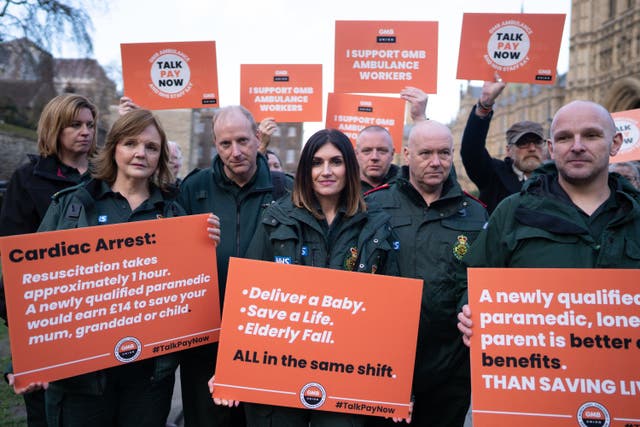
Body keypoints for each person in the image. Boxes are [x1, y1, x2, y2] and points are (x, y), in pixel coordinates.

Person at [35, 108, 220, 426]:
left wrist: (204, 246)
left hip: (147, 380)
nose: (140, 153)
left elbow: (189, 299)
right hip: (82, 377)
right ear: (114, 148)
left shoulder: (177, 217)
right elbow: (36, 283)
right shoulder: (72, 206)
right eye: (130, 143)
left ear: (160, 156)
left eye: (151, 147)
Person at [210, 128, 398, 427]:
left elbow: (392, 312)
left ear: (349, 168)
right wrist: (229, 366)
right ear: (304, 169)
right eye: (316, 162)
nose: (325, 171)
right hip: (279, 369)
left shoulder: (376, 224)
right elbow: (245, 296)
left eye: (335, 162)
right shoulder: (275, 218)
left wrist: (398, 383)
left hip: (347, 374)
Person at [457, 100, 637, 347]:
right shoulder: (511, 210)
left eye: (591, 135)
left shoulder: (633, 214)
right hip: (538, 370)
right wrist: (469, 311)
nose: (577, 146)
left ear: (615, 143)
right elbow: (473, 281)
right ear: (551, 149)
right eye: (564, 138)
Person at [365, 120, 487, 427]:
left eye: (444, 153)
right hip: (381, 361)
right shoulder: (373, 204)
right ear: (407, 154)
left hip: (449, 366)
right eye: (426, 153)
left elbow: (484, 277)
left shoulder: (475, 212)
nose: (436, 162)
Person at [176, 105, 292, 427]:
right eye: (225, 144)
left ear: (258, 138)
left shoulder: (287, 191)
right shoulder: (193, 188)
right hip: (206, 341)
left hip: (266, 339)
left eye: (243, 140)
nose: (236, 152)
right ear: (215, 144)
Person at [0, 93, 97, 427]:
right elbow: (12, 255)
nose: (85, 131)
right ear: (55, 128)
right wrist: (22, 322)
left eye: (90, 124)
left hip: (101, 316)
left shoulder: (107, 176)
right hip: (48, 320)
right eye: (75, 125)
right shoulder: (28, 179)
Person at [460, 76, 546, 214]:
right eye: (523, 143)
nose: (532, 148)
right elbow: (472, 152)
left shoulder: (557, 179)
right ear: (508, 150)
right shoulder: (494, 176)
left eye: (537, 142)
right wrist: (484, 107)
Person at [355, 87, 429, 193]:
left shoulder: (409, 186)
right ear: (356, 154)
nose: (374, 157)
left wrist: (420, 118)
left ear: (392, 153)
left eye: (382, 151)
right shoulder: (343, 189)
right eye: (367, 151)